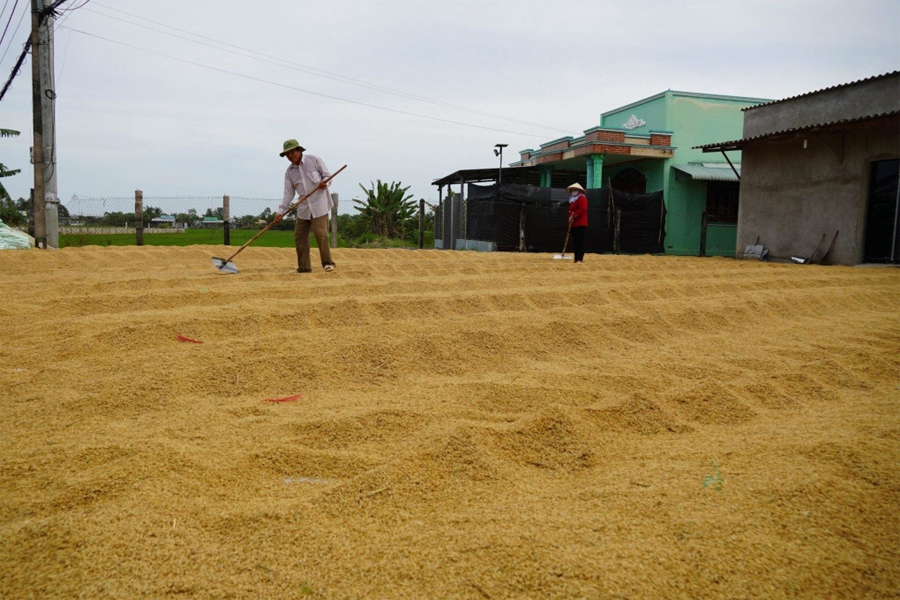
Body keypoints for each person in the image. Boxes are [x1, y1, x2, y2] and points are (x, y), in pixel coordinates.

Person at [274, 139, 336, 273]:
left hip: (319, 204)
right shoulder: (290, 172)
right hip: (303, 207)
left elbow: (328, 176)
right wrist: (280, 211)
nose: (290, 156)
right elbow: (288, 193)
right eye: (287, 155)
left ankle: (327, 263)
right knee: (300, 236)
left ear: (299, 150)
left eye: (292, 153)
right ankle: (304, 267)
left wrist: (325, 183)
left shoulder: (314, 160)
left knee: (321, 234)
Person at [566, 182, 588, 263]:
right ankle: (576, 258)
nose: (573, 191)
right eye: (572, 189)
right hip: (574, 223)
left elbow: (583, 209)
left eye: (575, 189)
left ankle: (580, 259)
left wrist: (574, 215)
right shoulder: (572, 200)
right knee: (575, 241)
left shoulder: (581, 198)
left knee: (580, 241)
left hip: (581, 223)